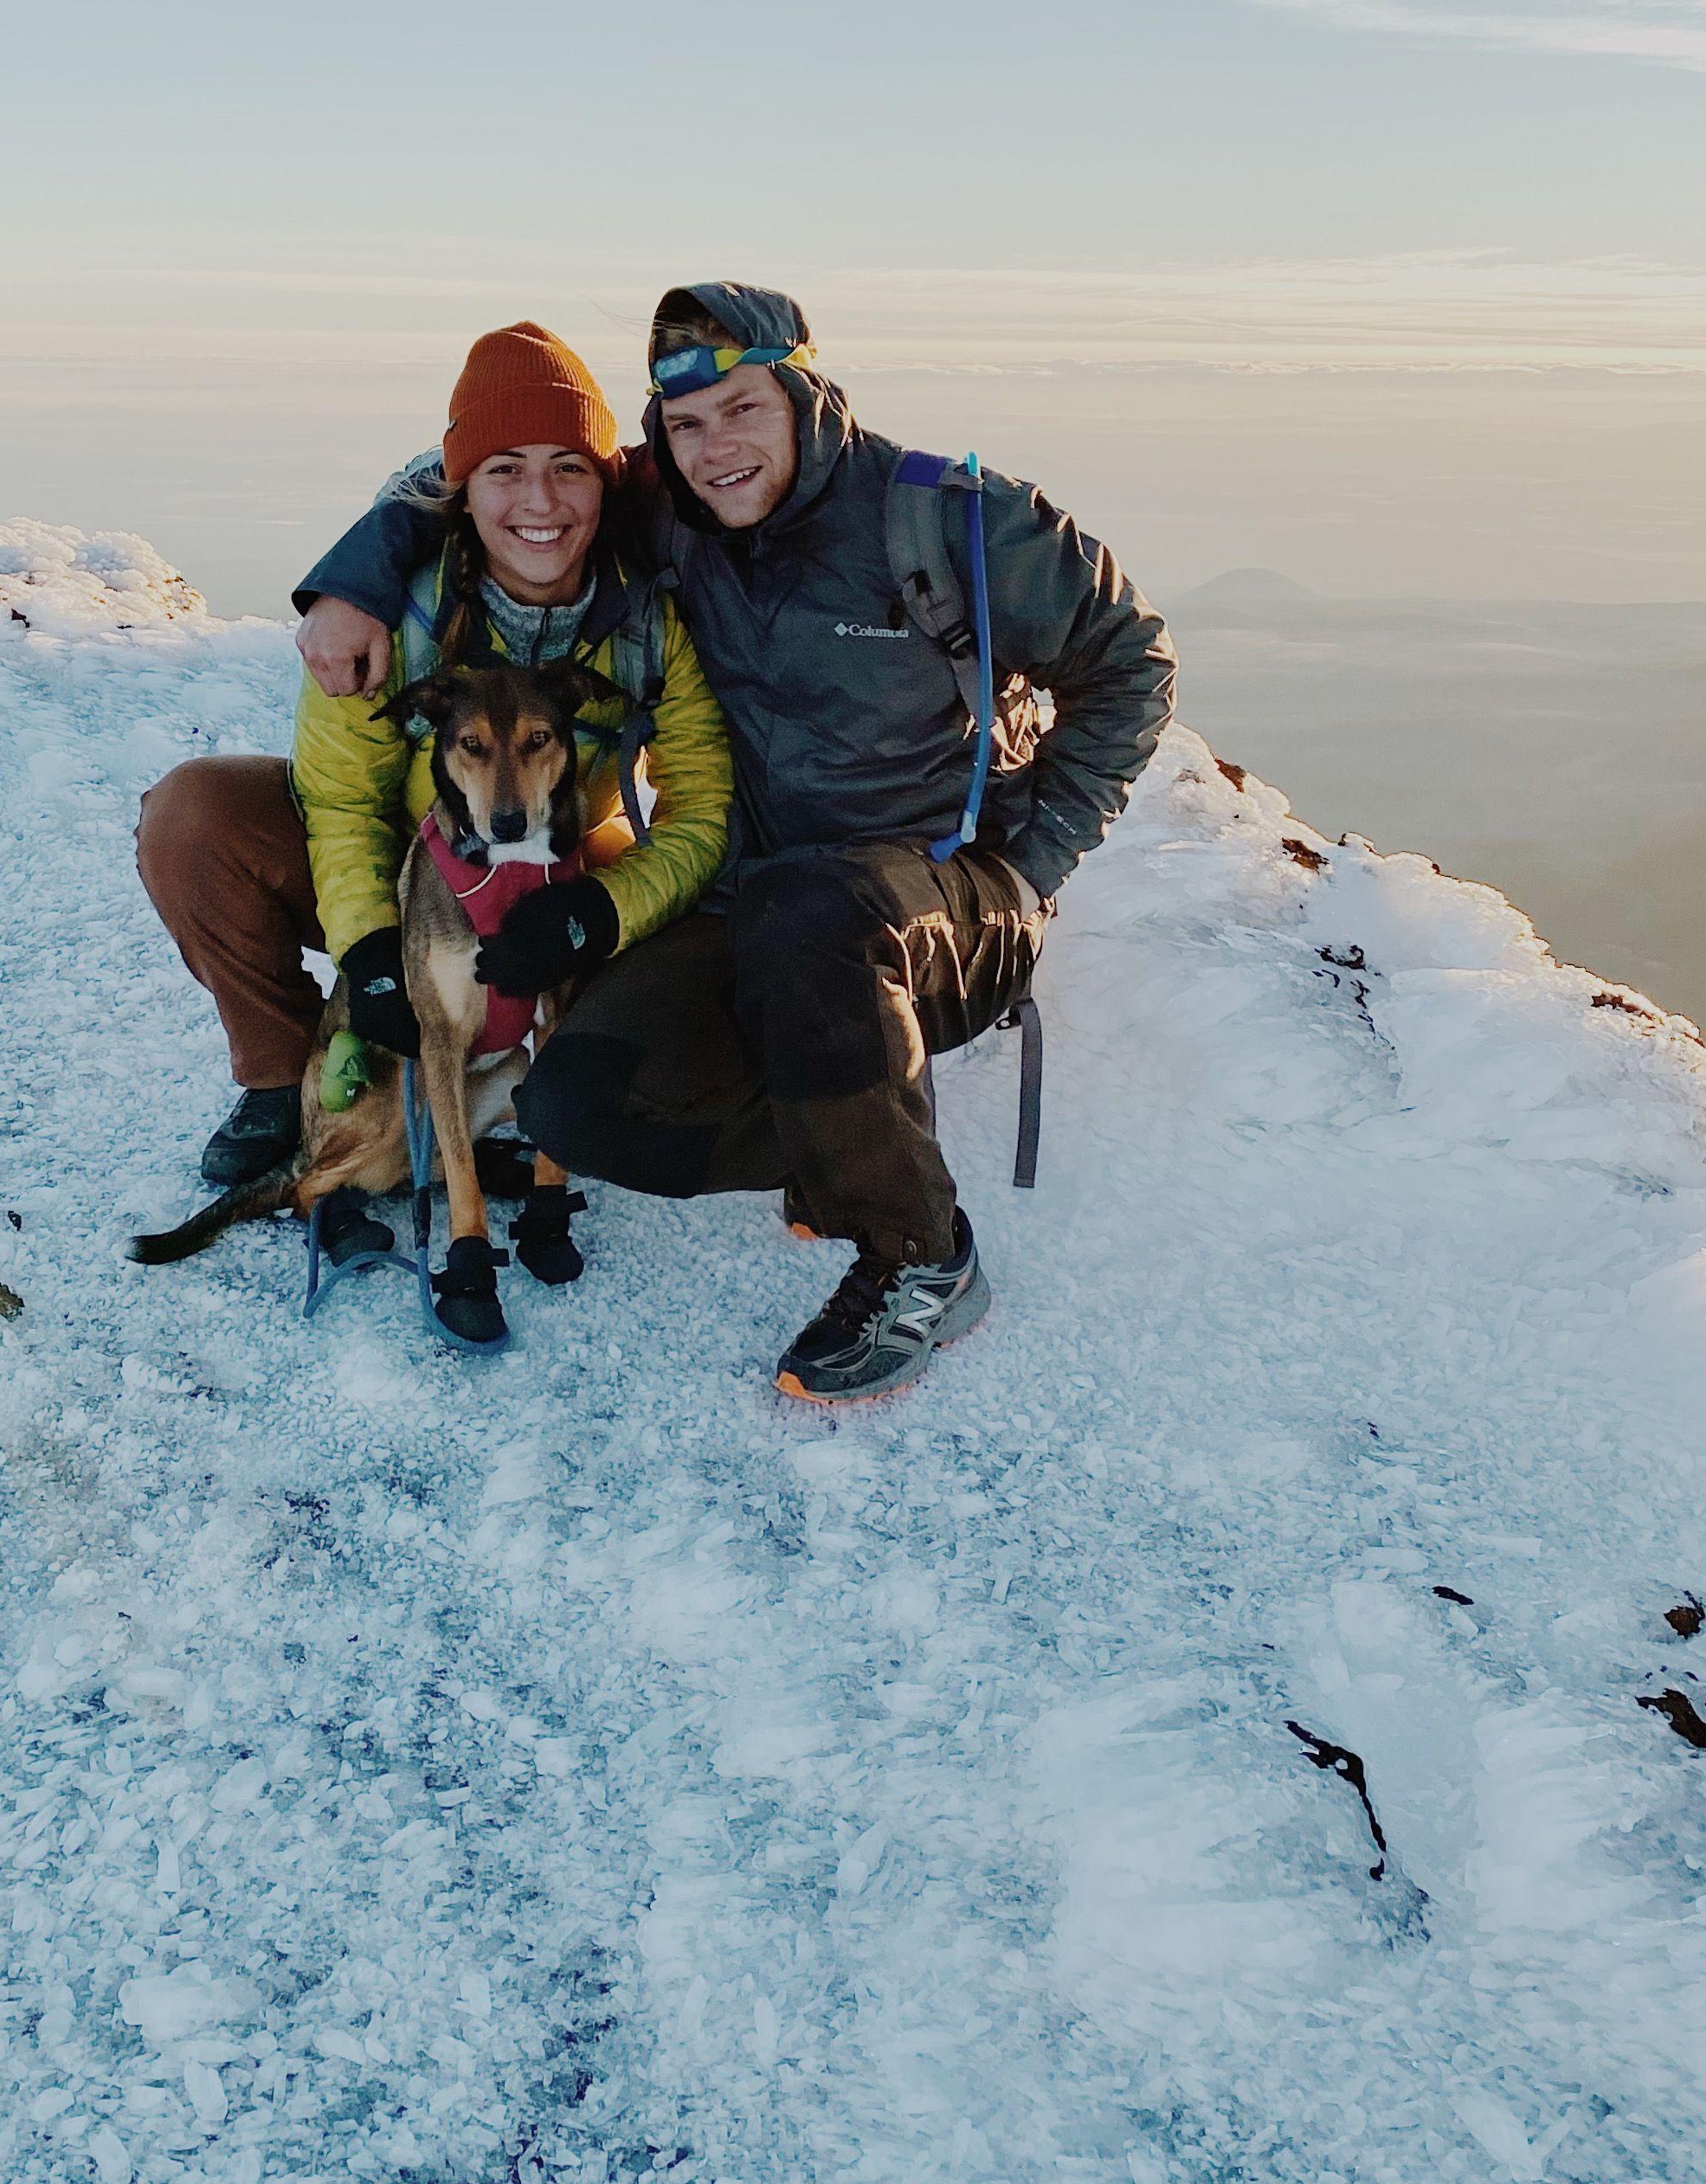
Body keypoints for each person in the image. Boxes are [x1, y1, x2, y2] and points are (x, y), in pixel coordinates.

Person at [291, 281, 1175, 1401]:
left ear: (806, 395)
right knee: (574, 1103)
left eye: (745, 409)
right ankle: (838, 1124)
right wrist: (356, 580)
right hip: (762, 906)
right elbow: (503, 477)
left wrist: (1030, 866)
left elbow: (1132, 662)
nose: (717, 451)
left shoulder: (949, 516)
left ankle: (919, 1251)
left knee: (818, 908)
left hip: (946, 905)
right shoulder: (678, 507)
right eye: (687, 426)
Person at [135, 322, 733, 1317]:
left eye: (566, 470)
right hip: (416, 880)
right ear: (463, 487)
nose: (538, 504)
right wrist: (371, 948)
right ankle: (297, 1083)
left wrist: (604, 913)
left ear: (604, 482)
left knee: (660, 914)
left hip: (550, 872)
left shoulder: (647, 618)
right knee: (191, 817)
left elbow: (703, 808)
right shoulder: (389, 611)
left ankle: (551, 1099)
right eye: (505, 470)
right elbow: (340, 798)